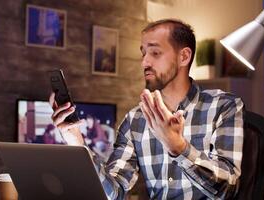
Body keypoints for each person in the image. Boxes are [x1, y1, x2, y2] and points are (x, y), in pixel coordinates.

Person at [49, 19, 244, 199]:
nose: (144, 62)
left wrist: (178, 147)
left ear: (184, 56)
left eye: (155, 53)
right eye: (143, 53)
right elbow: (113, 193)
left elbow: (228, 190)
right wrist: (76, 141)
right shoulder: (135, 119)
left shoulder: (224, 106)